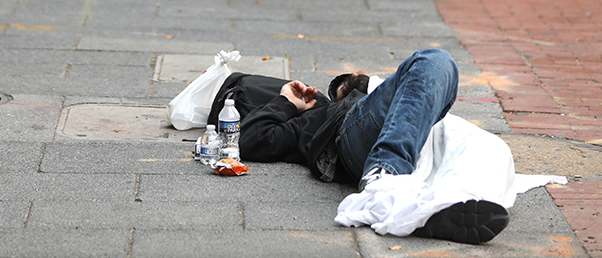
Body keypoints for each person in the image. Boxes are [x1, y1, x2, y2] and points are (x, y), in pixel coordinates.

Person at [209, 48, 510, 244]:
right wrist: (286, 101)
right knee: (436, 60)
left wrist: (363, 85)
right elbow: (246, 140)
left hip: (409, 139)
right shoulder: (308, 121)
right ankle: (382, 178)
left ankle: (432, 210)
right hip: (351, 140)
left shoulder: (341, 103)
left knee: (491, 152)